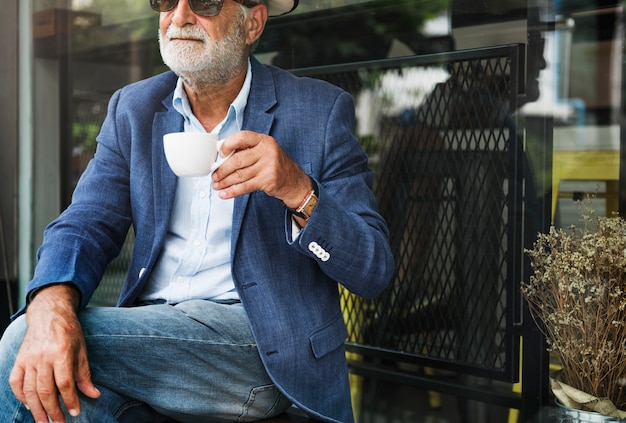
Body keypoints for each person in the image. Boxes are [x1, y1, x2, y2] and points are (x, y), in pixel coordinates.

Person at [0, 0, 395, 422]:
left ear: (253, 24)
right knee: (49, 383)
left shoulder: (318, 111)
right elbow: (84, 224)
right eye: (165, 1)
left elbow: (373, 270)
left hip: (261, 347)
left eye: (204, 1)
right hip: (155, 340)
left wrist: (298, 191)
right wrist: (51, 303)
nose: (180, 15)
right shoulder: (133, 108)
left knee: (20, 344)